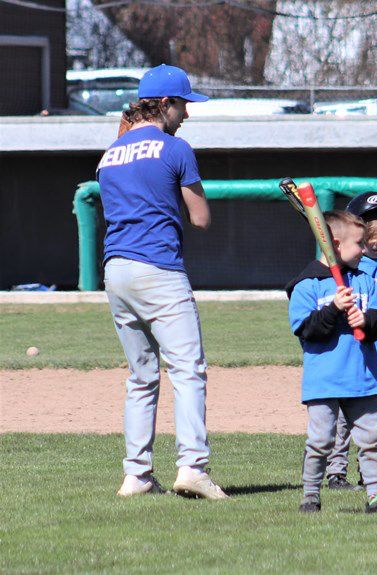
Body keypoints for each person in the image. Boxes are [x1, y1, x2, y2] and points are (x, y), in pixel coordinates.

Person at [97, 64, 228, 500]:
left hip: (115, 270)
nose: (187, 115)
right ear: (167, 104)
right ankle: (193, 466)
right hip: (158, 268)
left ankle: (136, 475)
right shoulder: (177, 148)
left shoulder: (110, 153)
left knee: (141, 376)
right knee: (188, 371)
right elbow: (201, 218)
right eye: (184, 105)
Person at [286, 210, 377, 514]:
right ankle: (310, 495)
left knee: (371, 439)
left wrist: (366, 319)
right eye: (359, 243)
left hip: (363, 378)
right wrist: (334, 309)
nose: (364, 249)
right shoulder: (306, 286)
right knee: (321, 441)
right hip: (324, 380)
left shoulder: (363, 281)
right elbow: (308, 331)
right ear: (335, 243)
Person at [326, 193, 377, 490]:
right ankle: (336, 473)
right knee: (344, 420)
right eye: (370, 236)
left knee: (376, 420)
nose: (376, 243)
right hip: (351, 356)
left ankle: (369, 474)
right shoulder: (344, 269)